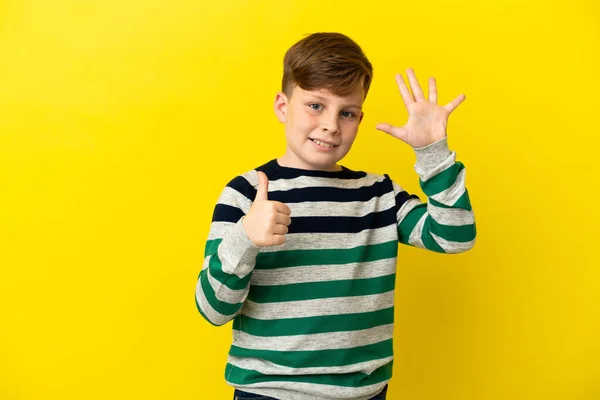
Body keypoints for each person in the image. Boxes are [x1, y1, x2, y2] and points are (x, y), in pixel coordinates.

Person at [195, 32, 476, 400]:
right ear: (282, 106)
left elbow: (454, 237)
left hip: (365, 393)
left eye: (347, 112)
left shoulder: (379, 194)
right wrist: (246, 237)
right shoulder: (247, 193)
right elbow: (213, 309)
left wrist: (433, 153)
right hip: (269, 393)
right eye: (315, 105)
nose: (331, 124)